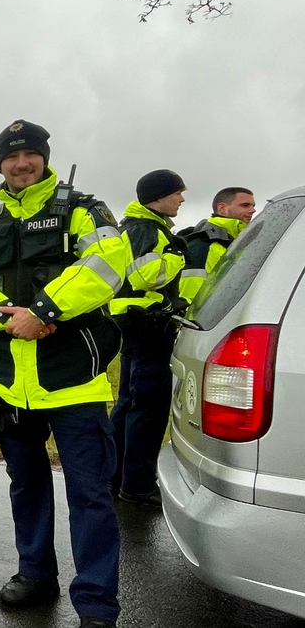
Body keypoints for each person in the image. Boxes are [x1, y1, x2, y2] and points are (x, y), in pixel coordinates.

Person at [0, 120, 128, 628]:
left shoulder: (83, 209)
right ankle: (35, 573)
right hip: (8, 384)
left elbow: (107, 265)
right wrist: (11, 313)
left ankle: (96, 603)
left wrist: (45, 311)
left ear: (44, 158)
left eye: (30, 154)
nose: (21, 163)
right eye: (11, 156)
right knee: (26, 485)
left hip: (73, 382)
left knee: (89, 495)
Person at [108, 171, 189, 508]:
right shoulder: (147, 230)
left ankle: (115, 480)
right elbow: (145, 275)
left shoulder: (135, 226)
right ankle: (138, 486)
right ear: (157, 198)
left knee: (128, 405)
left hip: (136, 329)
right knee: (148, 410)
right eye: (177, 193)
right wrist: (177, 255)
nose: (182, 199)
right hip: (149, 329)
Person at [179, 187, 256, 304]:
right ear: (222, 208)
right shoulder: (203, 244)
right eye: (245, 205)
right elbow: (191, 298)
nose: (253, 210)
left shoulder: (235, 241)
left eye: (253, 206)